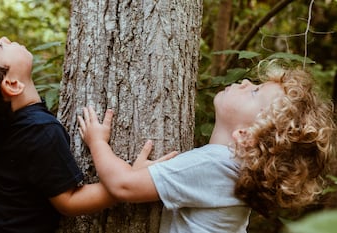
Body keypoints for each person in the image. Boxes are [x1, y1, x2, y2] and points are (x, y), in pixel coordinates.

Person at [0, 33, 174, 233]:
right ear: (11, 84)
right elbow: (69, 201)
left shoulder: (6, 123)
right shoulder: (41, 132)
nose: (5, 39)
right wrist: (128, 178)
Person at [78, 62, 337, 233]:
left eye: (255, 92)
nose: (246, 82)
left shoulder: (215, 164)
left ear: (246, 135)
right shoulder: (236, 171)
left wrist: (98, 141)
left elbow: (122, 185)